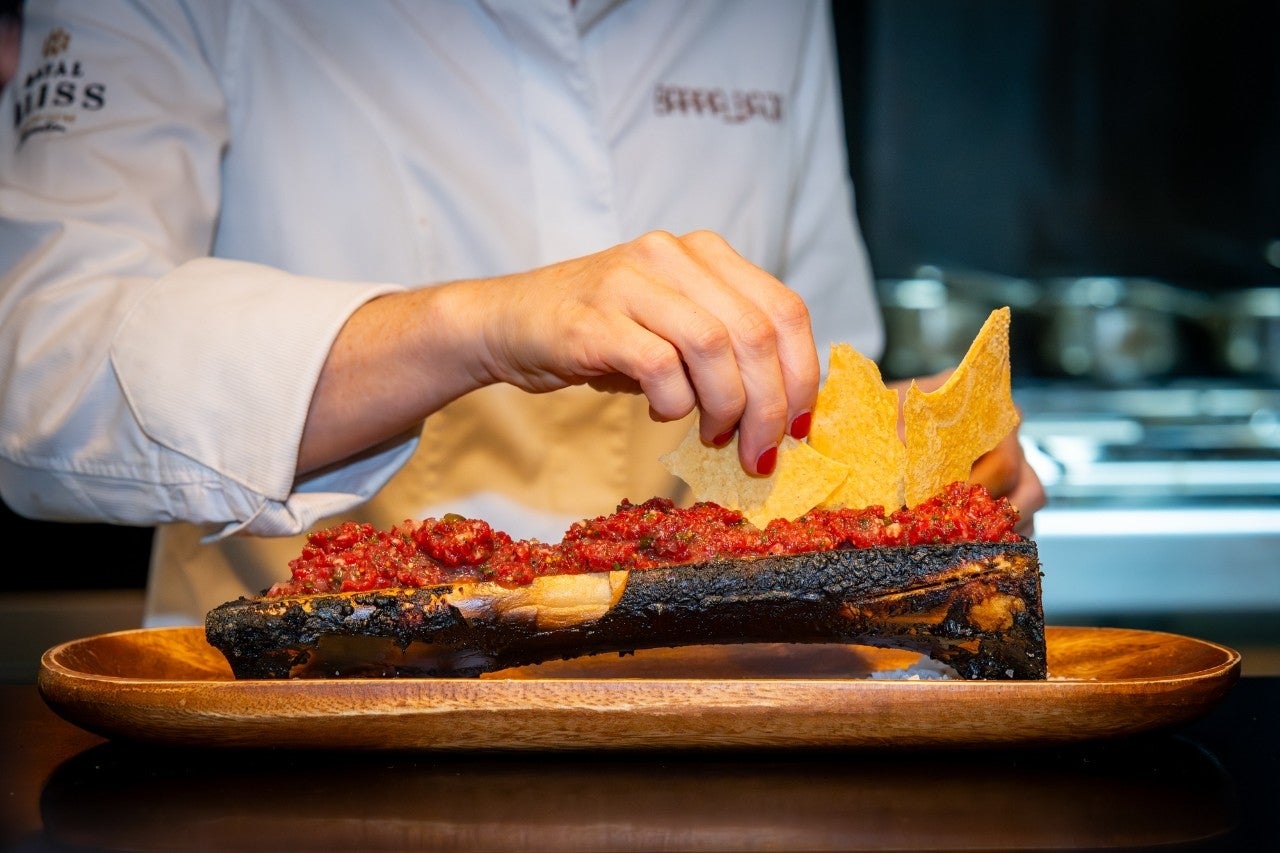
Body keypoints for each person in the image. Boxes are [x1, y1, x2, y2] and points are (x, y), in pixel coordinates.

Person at [0, 0, 1044, 626]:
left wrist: (914, 476)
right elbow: (41, 371)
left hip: (720, 730)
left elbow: (816, 368)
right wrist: (480, 322)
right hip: (310, 732)